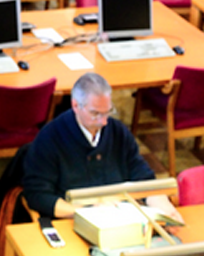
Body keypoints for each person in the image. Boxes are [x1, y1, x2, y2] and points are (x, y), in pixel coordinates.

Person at [20, 72, 178, 220]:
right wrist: (85, 212)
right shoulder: (50, 137)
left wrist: (163, 206)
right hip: (72, 219)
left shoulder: (118, 132)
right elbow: (38, 196)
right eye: (95, 113)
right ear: (75, 105)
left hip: (119, 217)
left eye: (107, 112)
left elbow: (143, 177)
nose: (103, 122)